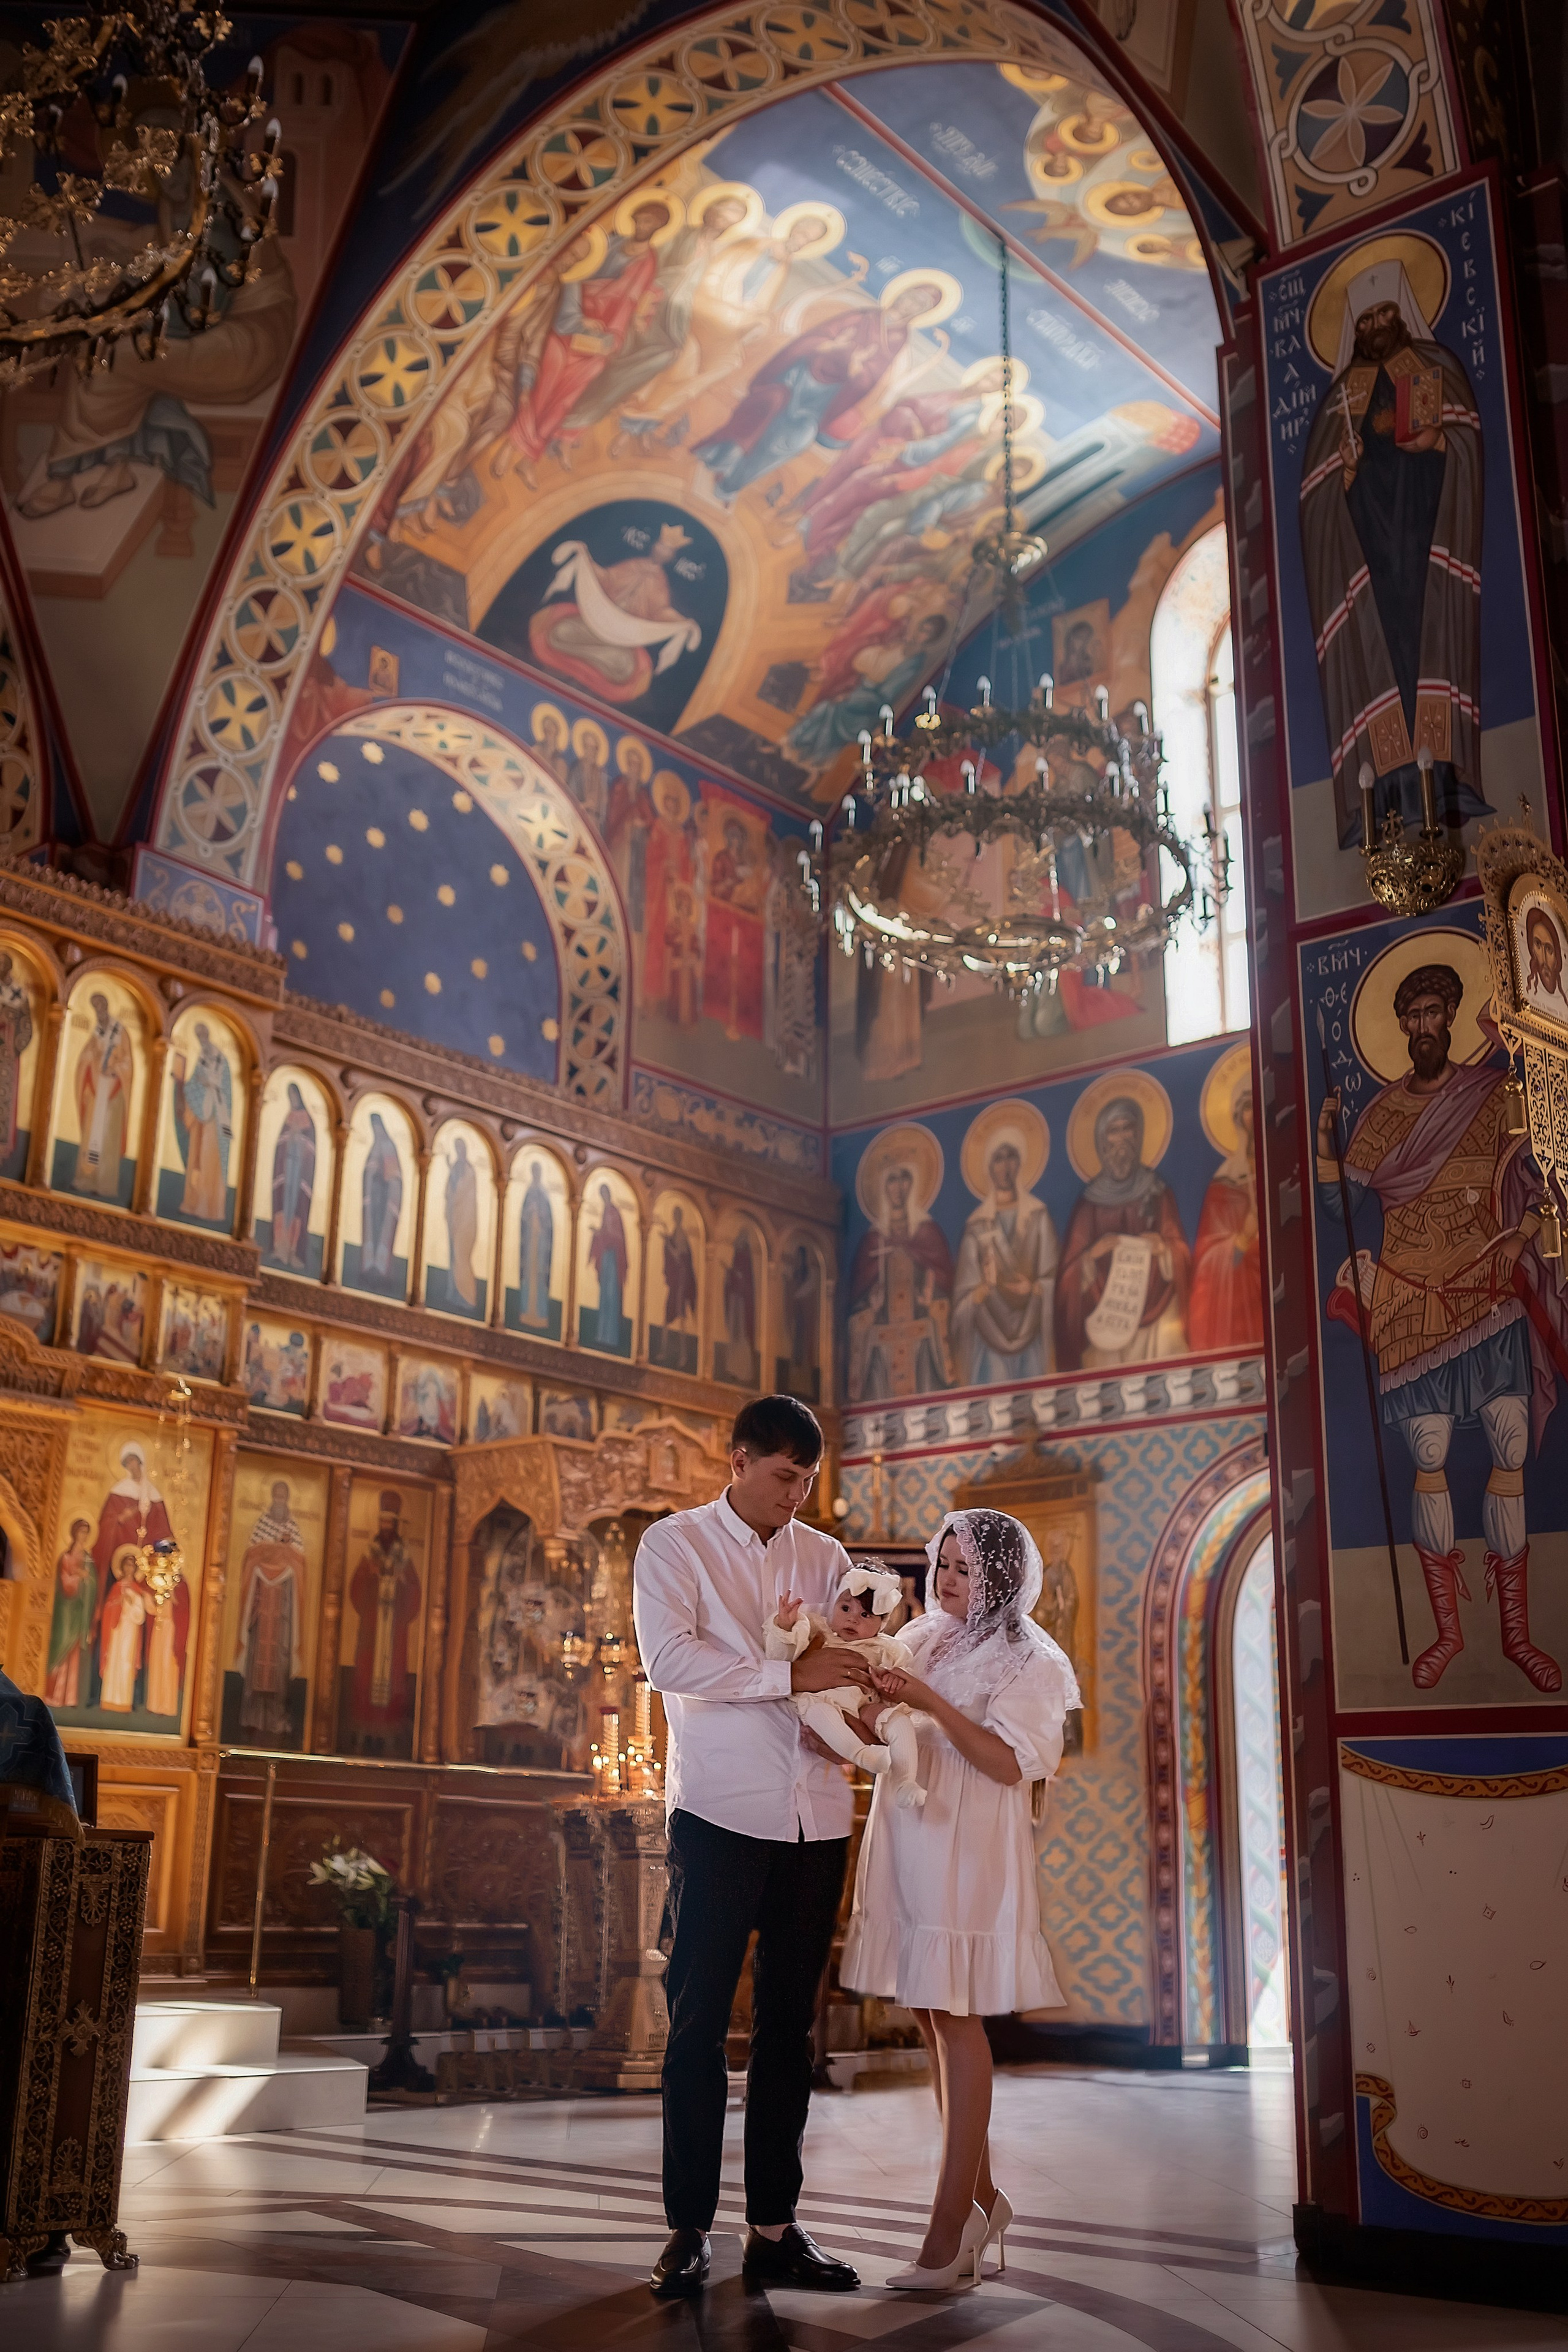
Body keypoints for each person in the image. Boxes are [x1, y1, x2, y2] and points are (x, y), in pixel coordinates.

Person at [633, 1395, 866, 2302]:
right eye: (783, 1477)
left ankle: (774, 2228)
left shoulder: (825, 1555)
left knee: (788, 2032)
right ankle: (687, 2229)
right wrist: (787, 1675)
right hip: (721, 1816)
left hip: (816, 1815)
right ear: (737, 1462)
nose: (798, 1496)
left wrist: (863, 1688)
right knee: (696, 2027)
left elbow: (847, 1655)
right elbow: (672, 1663)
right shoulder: (674, 1545)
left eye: (809, 1480)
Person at [841, 1508, 1078, 2290]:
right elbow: (883, 1723)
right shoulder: (919, 1636)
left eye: (963, 1569)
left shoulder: (1029, 1658)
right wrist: (878, 1706)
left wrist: (931, 1704)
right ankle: (980, 2203)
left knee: (957, 2014)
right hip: (912, 1838)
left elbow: (1010, 1766)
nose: (944, 1580)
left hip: (967, 1847)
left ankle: (949, 2232)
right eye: (941, 1564)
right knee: (930, 2015)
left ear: (999, 1579)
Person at [1317, 961, 1568, 1691]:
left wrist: (1521, 1233)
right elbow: (1339, 1207)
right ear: (1399, 1026)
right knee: (1428, 1457)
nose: (1424, 1026)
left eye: (1435, 1012)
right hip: (1408, 1304)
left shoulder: (1491, 1097)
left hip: (1487, 1291)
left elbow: (1543, 1179)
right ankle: (1447, 1636)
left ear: (1451, 1017)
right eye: (1413, 1015)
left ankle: (1519, 1637)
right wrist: (1328, 1144)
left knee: (1510, 1446)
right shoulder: (1382, 1117)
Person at [766, 1561, 924, 1804]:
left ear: (882, 1623)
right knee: (820, 1713)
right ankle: (863, 1756)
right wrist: (785, 1628)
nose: (853, 1620)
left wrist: (891, 1680)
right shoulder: (817, 1631)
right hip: (822, 1699)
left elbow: (904, 1674)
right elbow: (781, 1658)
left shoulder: (886, 1647)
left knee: (898, 1719)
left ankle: (906, 1782)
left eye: (865, 1615)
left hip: (865, 1704)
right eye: (846, 1608)